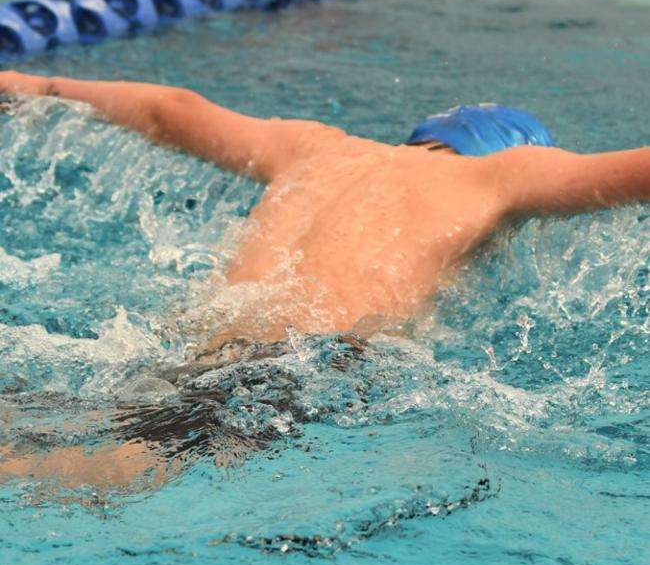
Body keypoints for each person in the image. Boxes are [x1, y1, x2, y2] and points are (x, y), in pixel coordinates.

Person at [0, 69, 648, 491]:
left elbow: (170, 109)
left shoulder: (317, 145)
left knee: (55, 426)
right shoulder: (503, 174)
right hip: (290, 374)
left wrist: (35, 85)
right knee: (69, 482)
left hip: (181, 355)